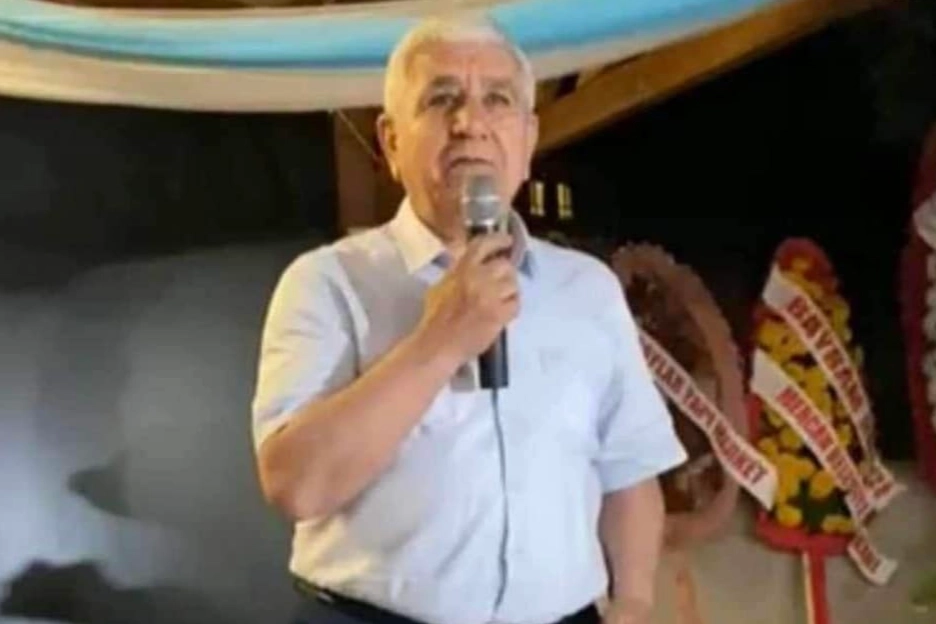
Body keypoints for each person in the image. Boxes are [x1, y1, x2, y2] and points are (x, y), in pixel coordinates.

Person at [251, 14, 687, 624]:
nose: (470, 123)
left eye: (497, 100)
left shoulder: (588, 290)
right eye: (441, 99)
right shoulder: (326, 282)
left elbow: (629, 468)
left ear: (528, 139)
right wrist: (439, 342)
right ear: (391, 142)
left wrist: (635, 600)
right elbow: (297, 486)